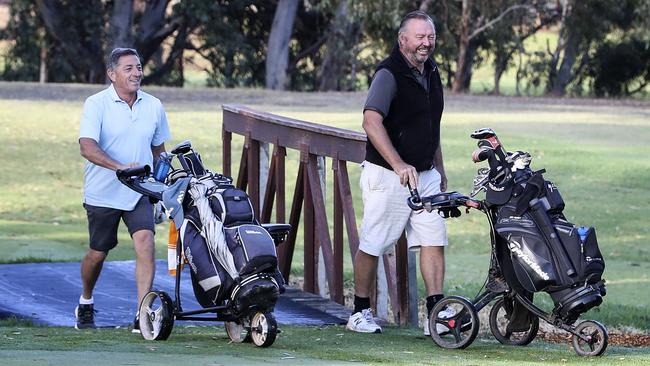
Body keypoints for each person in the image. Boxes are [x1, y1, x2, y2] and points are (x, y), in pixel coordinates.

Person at [346, 11, 450, 335]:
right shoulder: (388, 74)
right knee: (374, 243)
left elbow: (431, 127)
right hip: (387, 175)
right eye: (419, 36)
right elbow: (370, 122)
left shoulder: (432, 72)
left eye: (430, 36)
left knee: (434, 238)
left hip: (426, 175)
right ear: (403, 39)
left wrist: (440, 170)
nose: (426, 43)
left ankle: (436, 314)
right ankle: (359, 312)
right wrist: (398, 164)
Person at [75, 47, 171, 332]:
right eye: (128, 68)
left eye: (139, 67)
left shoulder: (153, 105)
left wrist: (161, 187)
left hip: (139, 190)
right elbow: (87, 147)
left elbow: (159, 153)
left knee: (145, 242)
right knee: (98, 253)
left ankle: (142, 313)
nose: (136, 73)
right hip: (102, 192)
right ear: (112, 74)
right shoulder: (96, 104)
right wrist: (119, 167)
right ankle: (86, 300)